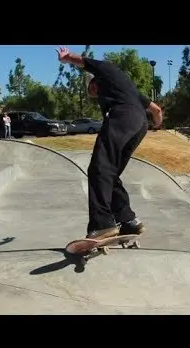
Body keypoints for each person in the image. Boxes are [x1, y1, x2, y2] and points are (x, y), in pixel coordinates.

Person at [56, 46, 163, 240]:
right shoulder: (127, 87)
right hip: (139, 124)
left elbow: (83, 61)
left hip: (122, 117)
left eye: (93, 91)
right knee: (110, 174)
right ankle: (129, 221)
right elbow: (156, 109)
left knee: (99, 168)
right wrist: (157, 124)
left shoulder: (105, 69)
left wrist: (67, 58)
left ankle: (102, 224)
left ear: (95, 83)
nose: (95, 95)